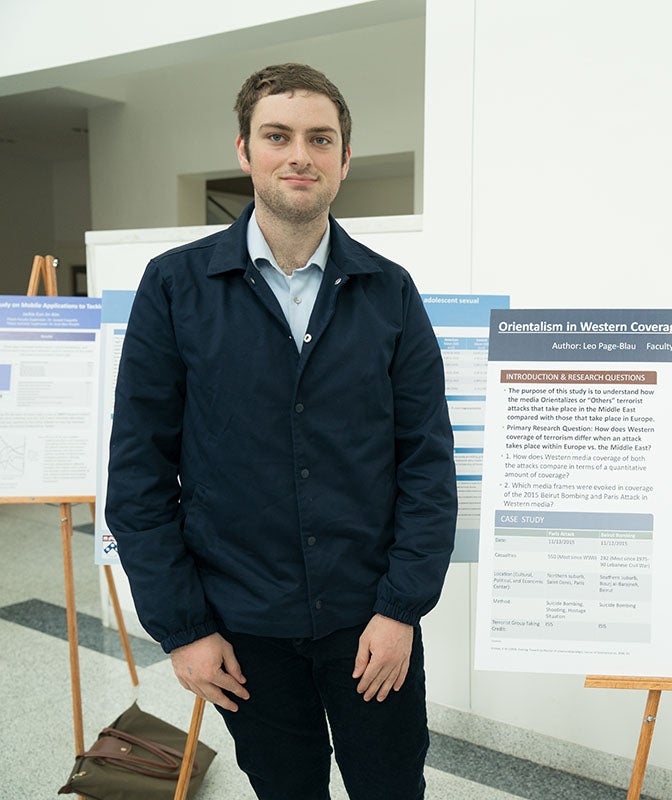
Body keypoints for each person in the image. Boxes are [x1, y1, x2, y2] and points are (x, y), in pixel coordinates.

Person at [106, 63, 457, 800]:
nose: (300, 154)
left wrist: (401, 610)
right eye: (278, 135)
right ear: (245, 151)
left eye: (319, 139)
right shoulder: (175, 286)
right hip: (241, 631)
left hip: (370, 626)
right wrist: (184, 629)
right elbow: (139, 475)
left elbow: (426, 464)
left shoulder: (389, 292)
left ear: (343, 160)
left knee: (391, 788)